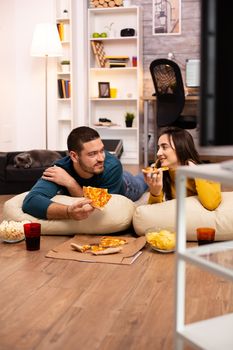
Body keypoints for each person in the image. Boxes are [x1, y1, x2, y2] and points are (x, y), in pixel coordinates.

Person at [22, 126, 147, 220]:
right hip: (101, 184)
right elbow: (30, 202)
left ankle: (151, 169)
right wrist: (68, 212)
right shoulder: (60, 169)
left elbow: (103, 207)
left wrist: (71, 183)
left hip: (126, 185)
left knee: (144, 180)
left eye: (102, 150)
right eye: (92, 154)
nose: (101, 158)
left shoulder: (112, 165)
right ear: (74, 156)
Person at [143, 126, 222, 210]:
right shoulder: (160, 169)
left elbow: (211, 204)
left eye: (164, 147)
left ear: (180, 148)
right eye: (159, 148)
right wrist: (155, 193)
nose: (158, 153)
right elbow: (152, 212)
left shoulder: (208, 173)